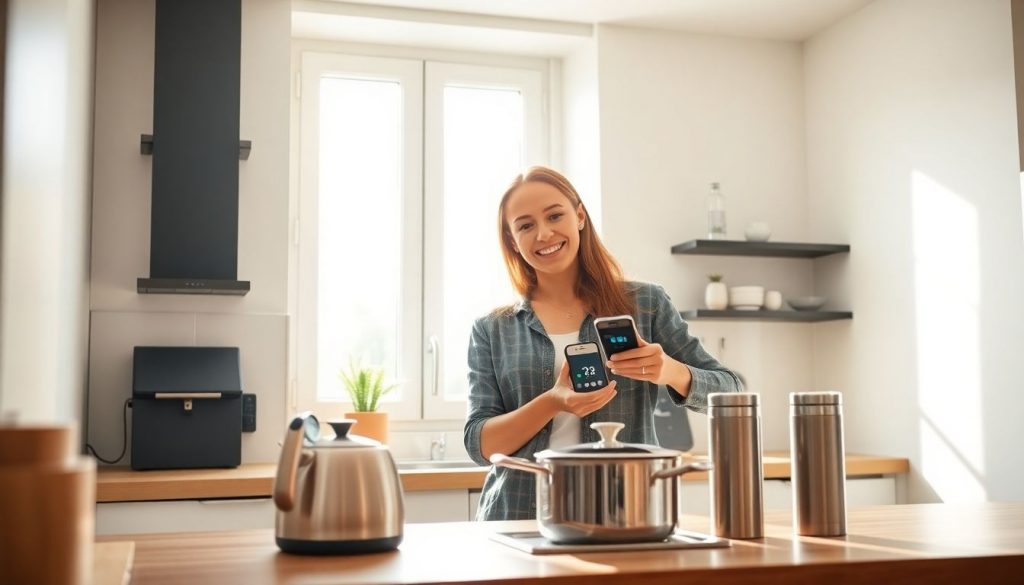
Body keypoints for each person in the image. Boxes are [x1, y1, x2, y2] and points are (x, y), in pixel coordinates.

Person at [463, 166, 743, 521]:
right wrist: (552, 402)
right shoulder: (492, 328)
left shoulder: (646, 303)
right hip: (518, 516)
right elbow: (479, 443)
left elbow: (732, 393)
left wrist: (670, 371)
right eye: (525, 225)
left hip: (624, 513)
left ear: (579, 216)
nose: (544, 233)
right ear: (512, 240)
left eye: (554, 215)